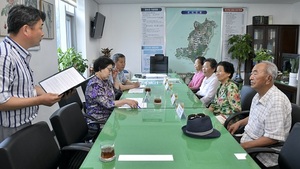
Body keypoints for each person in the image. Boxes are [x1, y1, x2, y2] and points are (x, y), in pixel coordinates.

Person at [0, 5, 62, 142]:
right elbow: (2, 100)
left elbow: (23, 88)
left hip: (22, 123)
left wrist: (51, 92)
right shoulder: (5, 55)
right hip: (9, 128)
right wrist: (40, 100)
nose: (42, 33)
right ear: (26, 29)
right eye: (40, 27)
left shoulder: (19, 54)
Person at [228, 61, 291, 167]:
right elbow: (256, 116)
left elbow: (272, 138)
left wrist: (242, 146)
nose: (251, 77)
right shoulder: (259, 94)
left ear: (268, 79)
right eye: (252, 73)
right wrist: (239, 123)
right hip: (247, 141)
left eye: (255, 73)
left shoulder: (277, 101)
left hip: (261, 155)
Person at [85, 56, 139, 123]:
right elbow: (108, 103)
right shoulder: (94, 85)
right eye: (109, 70)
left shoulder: (105, 80)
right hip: (99, 121)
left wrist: (115, 78)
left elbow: (116, 93)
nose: (110, 73)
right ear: (100, 69)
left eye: (111, 70)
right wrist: (126, 101)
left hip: (110, 115)